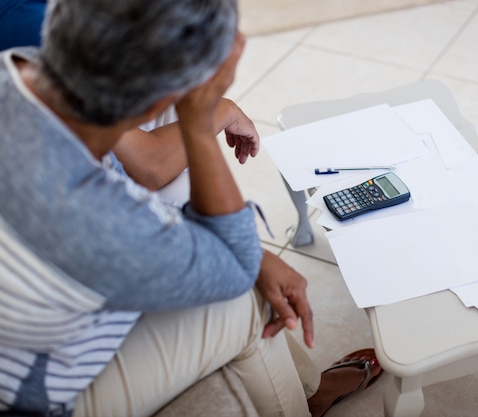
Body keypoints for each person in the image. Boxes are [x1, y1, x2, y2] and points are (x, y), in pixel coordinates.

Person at [0, 1, 382, 416]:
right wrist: (199, 120)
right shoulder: (97, 219)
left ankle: (308, 391)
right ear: (162, 100)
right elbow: (234, 267)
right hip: (26, 391)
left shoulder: (16, 67)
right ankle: (310, 403)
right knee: (247, 301)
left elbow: (119, 184)